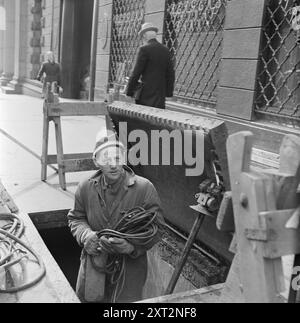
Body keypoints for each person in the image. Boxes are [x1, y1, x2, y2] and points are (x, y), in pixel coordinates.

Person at [67, 129, 164, 303]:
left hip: (129, 268)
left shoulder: (144, 189)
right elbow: (76, 218)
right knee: (89, 299)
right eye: (106, 158)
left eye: (117, 158)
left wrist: (132, 247)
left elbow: (157, 229)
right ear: (96, 161)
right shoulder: (85, 188)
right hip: (95, 262)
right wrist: (86, 235)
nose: (113, 164)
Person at [125, 22, 175, 109]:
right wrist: (169, 94)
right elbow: (171, 74)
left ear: (144, 35)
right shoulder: (165, 50)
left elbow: (136, 73)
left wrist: (129, 92)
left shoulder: (144, 49)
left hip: (145, 95)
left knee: (143, 119)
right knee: (156, 119)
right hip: (160, 95)